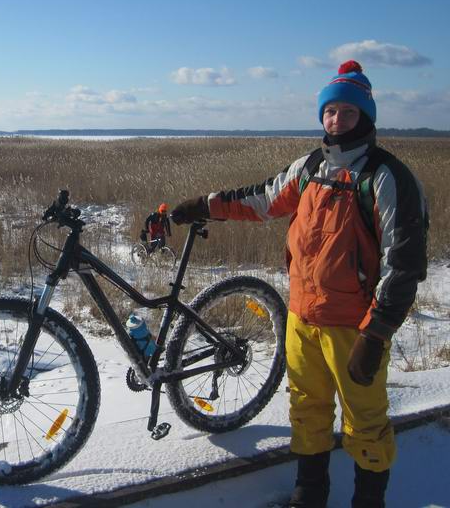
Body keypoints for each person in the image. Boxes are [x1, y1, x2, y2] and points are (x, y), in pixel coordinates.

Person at [170, 61, 428, 508]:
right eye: (330, 111)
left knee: (365, 420)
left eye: (347, 112)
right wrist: (204, 205)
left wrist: (376, 332)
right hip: (302, 318)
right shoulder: (310, 167)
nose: (336, 119)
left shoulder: (386, 177)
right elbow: (262, 199)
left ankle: (369, 500)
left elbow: (403, 265)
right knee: (306, 407)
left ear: (365, 116)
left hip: (354, 327)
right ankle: (310, 492)